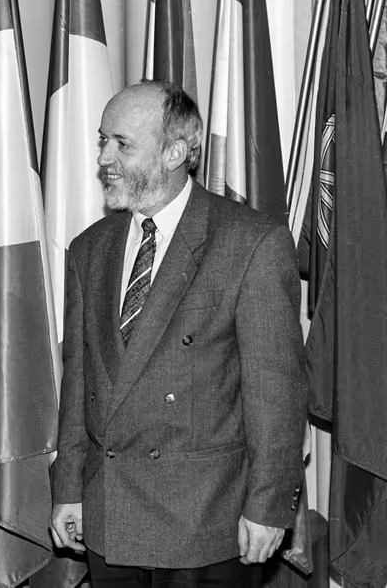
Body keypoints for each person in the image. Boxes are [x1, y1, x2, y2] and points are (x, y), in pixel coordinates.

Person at [49, 81, 308, 587]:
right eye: (103, 140)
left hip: (206, 524)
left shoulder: (251, 243)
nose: (103, 157)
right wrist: (68, 488)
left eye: (122, 144)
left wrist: (269, 505)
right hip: (111, 519)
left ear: (174, 153)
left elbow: (276, 392)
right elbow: (80, 385)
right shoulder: (90, 249)